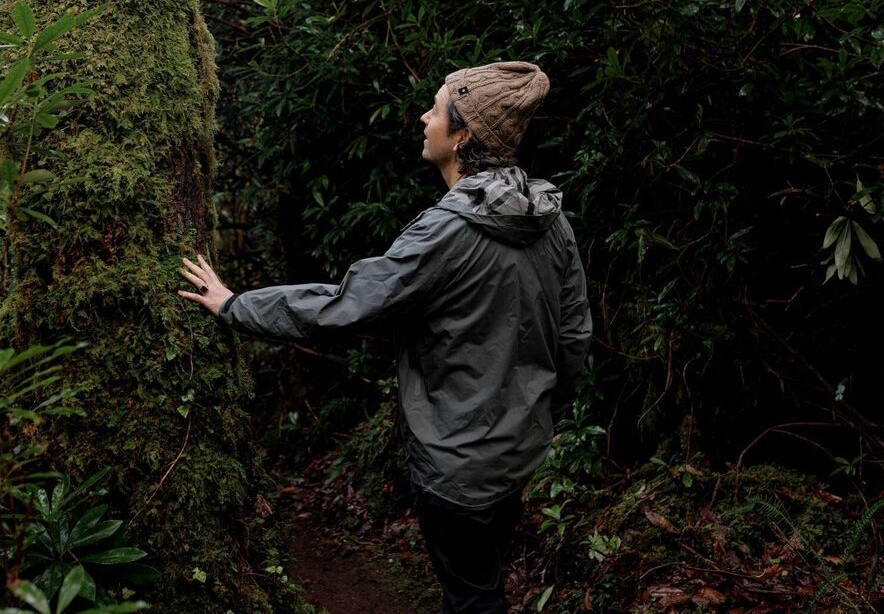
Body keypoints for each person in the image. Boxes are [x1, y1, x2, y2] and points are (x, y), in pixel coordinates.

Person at [178, 61, 593, 614]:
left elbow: (346, 306)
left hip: (456, 466)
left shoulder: (446, 232)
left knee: (474, 597)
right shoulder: (550, 221)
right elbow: (574, 338)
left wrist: (236, 306)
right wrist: (538, 414)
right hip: (519, 454)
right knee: (479, 584)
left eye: (438, 108)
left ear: (464, 134)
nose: (425, 117)